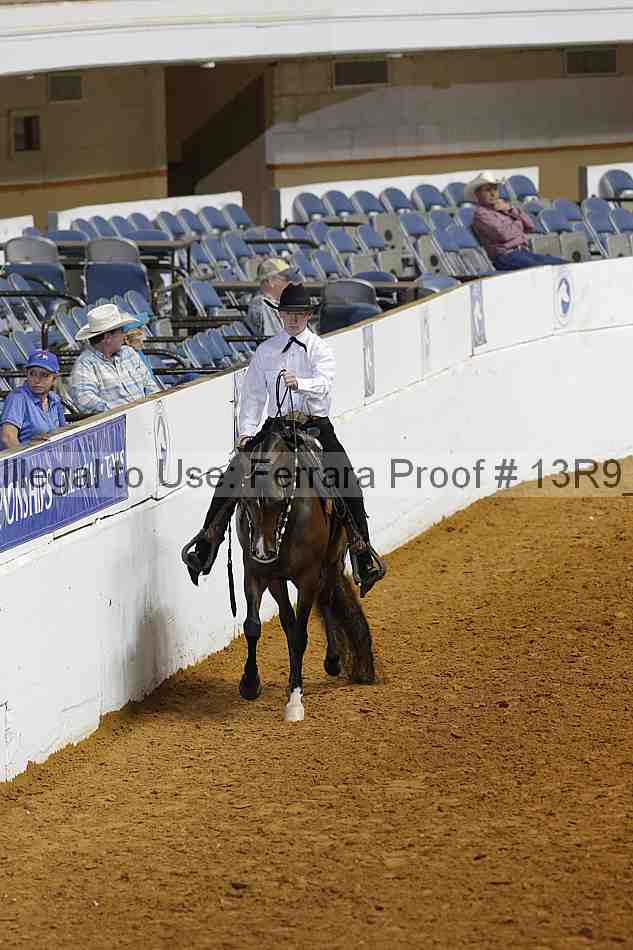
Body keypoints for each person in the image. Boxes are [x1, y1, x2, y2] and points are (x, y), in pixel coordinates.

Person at [183, 282, 385, 597]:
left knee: (346, 478)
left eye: (299, 314)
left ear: (308, 316)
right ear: (280, 315)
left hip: (315, 425)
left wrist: (300, 383)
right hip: (275, 427)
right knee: (234, 473)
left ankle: (362, 549)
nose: (293, 319)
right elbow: (252, 395)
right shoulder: (266, 351)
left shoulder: (319, 348)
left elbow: (325, 384)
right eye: (288, 313)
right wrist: (246, 432)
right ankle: (208, 541)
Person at [69, 303, 160, 414]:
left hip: (146, 414)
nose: (124, 335)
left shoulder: (129, 353)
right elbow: (85, 400)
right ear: (107, 337)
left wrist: (150, 408)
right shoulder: (85, 364)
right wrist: (123, 413)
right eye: (121, 331)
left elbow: (150, 385)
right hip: (117, 421)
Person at [468, 171, 566, 272]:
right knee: (544, 269)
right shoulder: (481, 214)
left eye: (495, 189)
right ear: (478, 194)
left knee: (564, 264)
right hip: (506, 257)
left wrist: (510, 209)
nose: (493, 194)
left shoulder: (505, 208)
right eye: (488, 190)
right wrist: (519, 222)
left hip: (523, 252)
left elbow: (530, 225)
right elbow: (504, 234)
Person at [0, 350, 66, 450]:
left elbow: (63, 432)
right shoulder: (17, 398)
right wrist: (27, 457)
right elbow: (8, 438)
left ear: (54, 379)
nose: (37, 380)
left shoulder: (55, 399)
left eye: (44, 375)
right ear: (27, 375)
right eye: (32, 374)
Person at [247, 258, 298, 338]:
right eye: (286, 279)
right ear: (270, 281)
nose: (290, 283)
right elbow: (275, 340)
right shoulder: (261, 303)